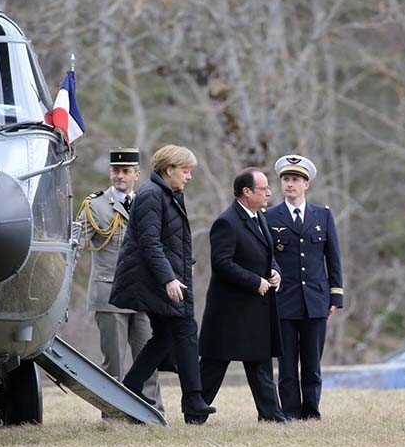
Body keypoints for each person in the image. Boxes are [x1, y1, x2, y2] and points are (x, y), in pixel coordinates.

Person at [109, 145, 216, 423]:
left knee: (166, 335)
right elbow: (150, 243)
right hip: (152, 280)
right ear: (169, 170)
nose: (188, 177)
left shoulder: (167, 193)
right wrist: (169, 278)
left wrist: (186, 265)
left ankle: (132, 387)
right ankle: (193, 399)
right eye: (185, 171)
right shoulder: (152, 195)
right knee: (184, 329)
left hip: (160, 277)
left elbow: (172, 240)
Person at [196, 167, 286, 423]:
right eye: (264, 189)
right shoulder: (227, 222)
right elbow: (221, 263)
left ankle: (271, 415)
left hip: (255, 308)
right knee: (214, 364)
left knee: (260, 363)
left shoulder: (259, 217)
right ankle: (195, 414)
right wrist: (254, 281)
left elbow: (266, 255)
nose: (269, 193)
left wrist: (274, 271)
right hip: (229, 311)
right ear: (247, 192)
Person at [79, 147, 163, 414]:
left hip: (143, 294)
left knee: (147, 358)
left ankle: (152, 411)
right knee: (113, 363)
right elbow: (76, 245)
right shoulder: (95, 206)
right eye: (115, 170)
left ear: (137, 174)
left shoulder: (148, 202)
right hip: (110, 294)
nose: (120, 176)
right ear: (109, 172)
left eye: (126, 171)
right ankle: (113, 414)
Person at [265, 155, 343, 420]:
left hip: (315, 299)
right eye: (286, 179)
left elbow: (333, 258)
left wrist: (335, 295)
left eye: (296, 180)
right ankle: (290, 411)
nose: (290, 184)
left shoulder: (323, 215)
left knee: (312, 362)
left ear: (306, 184)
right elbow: (266, 257)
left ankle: (311, 411)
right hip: (284, 300)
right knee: (287, 363)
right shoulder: (269, 216)